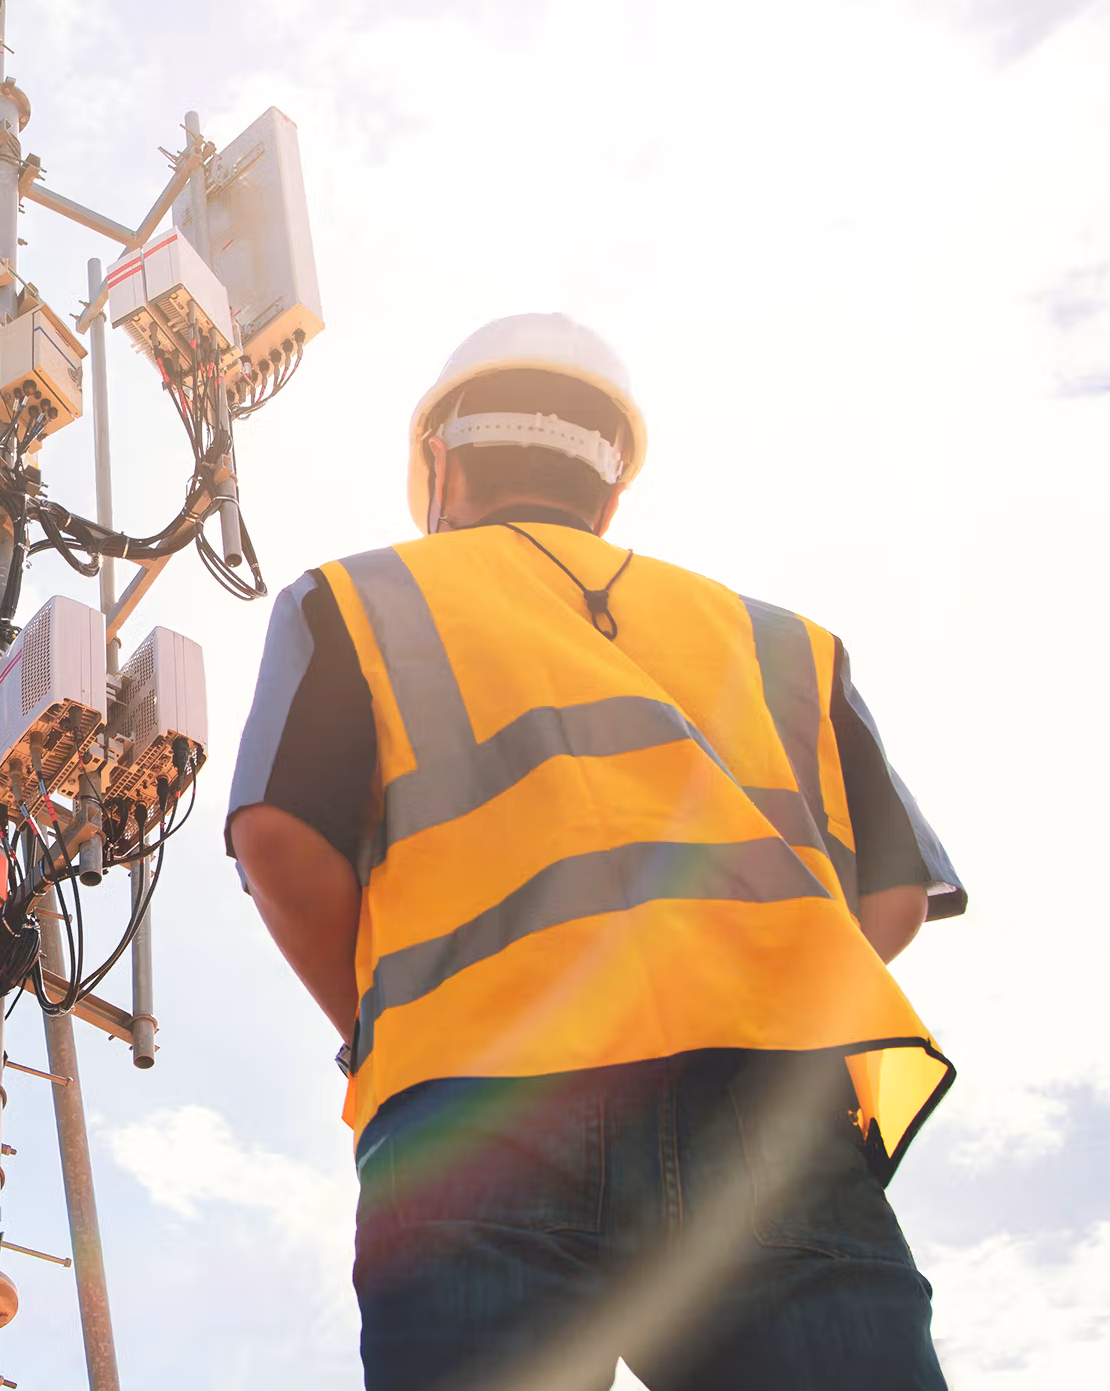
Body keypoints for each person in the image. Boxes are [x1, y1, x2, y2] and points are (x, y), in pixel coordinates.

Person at [224, 314, 966, 1390]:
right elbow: (895, 895)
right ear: (612, 488)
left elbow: (279, 835)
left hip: (475, 1097)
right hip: (766, 1106)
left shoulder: (355, 597)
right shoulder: (787, 643)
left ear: (442, 462)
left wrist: (379, 1031)